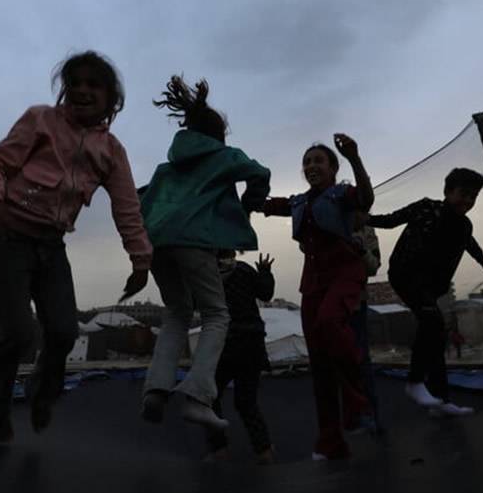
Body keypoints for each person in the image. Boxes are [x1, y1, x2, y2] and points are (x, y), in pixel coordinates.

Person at [0, 51, 152, 443]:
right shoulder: (40, 120)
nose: (83, 90)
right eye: (75, 83)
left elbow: (127, 206)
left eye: (94, 85)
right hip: (5, 239)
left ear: (111, 98)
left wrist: (141, 259)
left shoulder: (112, 151)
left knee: (64, 331)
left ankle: (42, 389)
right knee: (20, 332)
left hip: (51, 247)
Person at [140, 75, 270, 431]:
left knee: (177, 312)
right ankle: (198, 396)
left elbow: (144, 198)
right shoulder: (224, 156)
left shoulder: (167, 169)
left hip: (156, 242)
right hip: (194, 241)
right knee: (216, 314)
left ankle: (156, 389)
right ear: (218, 135)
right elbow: (259, 172)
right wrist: (249, 205)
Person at [257, 135, 374, 461]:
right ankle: (330, 441)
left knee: (330, 321)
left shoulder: (342, 194)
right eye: (307, 162)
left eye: (319, 160)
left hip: (344, 271)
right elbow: (264, 204)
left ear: (333, 168)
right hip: (313, 281)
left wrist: (354, 157)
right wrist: (231, 191)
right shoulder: (298, 202)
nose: (311, 166)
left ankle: (357, 403)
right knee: (320, 363)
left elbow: (365, 199)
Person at [366, 168, 483, 417]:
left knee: (437, 335)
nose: (467, 201)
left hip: (430, 286)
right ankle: (415, 382)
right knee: (432, 322)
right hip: (405, 274)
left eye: (472, 197)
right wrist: (363, 219)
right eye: (463, 194)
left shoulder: (464, 225)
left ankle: (440, 401)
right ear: (448, 191)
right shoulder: (426, 208)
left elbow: (469, 242)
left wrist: (482, 260)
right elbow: (391, 220)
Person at [203, 251, 276, 465]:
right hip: (251, 342)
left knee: (208, 397)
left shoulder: (207, 275)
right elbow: (265, 294)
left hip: (225, 344)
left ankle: (219, 449)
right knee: (246, 401)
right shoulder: (244, 270)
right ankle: (264, 450)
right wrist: (265, 271)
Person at [344, 225, 382, 435]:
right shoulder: (328, 218)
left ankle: (369, 415)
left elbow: (374, 266)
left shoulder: (366, 230)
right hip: (330, 298)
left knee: (360, 358)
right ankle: (351, 418)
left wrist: (360, 250)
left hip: (355, 302)